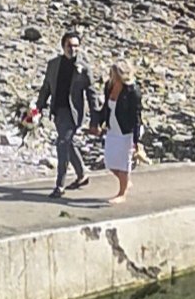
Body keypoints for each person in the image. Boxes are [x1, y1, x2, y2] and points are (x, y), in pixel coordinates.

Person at [35, 30, 99, 198]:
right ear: (63, 46)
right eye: (70, 46)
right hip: (58, 111)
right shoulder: (53, 64)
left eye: (76, 46)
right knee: (68, 142)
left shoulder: (83, 68)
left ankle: (60, 185)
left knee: (62, 143)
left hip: (73, 113)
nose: (73, 49)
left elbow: (92, 94)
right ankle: (82, 174)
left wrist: (95, 119)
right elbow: (46, 88)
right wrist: (38, 108)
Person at [98, 60, 142, 204]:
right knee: (109, 162)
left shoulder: (133, 91)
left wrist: (136, 140)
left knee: (123, 163)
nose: (111, 76)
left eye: (114, 74)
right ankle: (126, 182)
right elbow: (106, 107)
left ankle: (122, 194)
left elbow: (136, 117)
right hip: (112, 129)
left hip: (126, 131)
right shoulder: (109, 86)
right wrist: (98, 123)